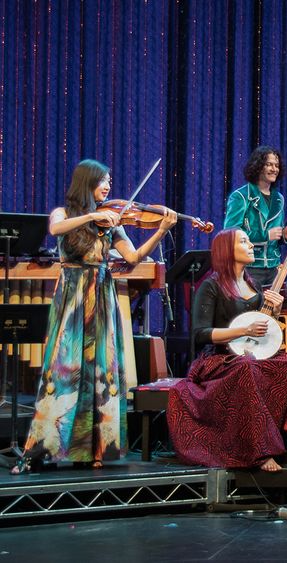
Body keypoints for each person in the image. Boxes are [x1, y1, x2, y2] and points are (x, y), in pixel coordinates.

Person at [12, 160, 178, 474]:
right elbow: (54, 229)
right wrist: (92, 215)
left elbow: (132, 257)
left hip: (102, 295)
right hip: (73, 298)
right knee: (66, 368)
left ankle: (97, 448)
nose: (108, 186)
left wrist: (160, 231)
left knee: (101, 369)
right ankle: (46, 447)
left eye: (110, 181)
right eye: (103, 180)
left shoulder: (113, 223)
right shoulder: (64, 213)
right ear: (86, 182)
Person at [167, 229, 287, 472]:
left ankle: (271, 436)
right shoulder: (211, 285)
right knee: (246, 369)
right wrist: (243, 331)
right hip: (219, 358)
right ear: (227, 250)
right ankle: (259, 451)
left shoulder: (253, 284)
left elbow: (262, 325)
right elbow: (200, 333)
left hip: (247, 354)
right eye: (244, 241)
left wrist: (275, 309)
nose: (251, 245)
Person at [223, 145, 287, 288]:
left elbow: (275, 236)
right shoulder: (241, 196)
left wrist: (284, 235)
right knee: (250, 310)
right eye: (269, 164)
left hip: (273, 267)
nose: (274, 169)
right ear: (258, 166)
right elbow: (230, 233)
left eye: (276, 165)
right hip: (249, 266)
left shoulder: (278, 198)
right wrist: (265, 235)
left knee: (272, 310)